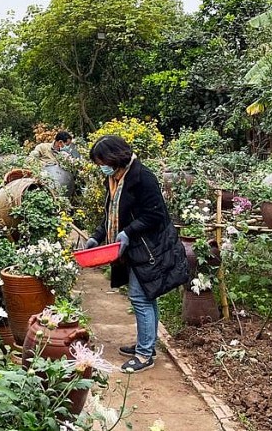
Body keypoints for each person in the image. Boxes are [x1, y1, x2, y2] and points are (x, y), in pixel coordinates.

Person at [84, 134, 173, 373]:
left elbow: (156, 215)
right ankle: (148, 345)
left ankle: (144, 355)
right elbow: (111, 214)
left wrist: (128, 232)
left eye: (102, 161)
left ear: (115, 157)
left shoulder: (142, 178)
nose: (100, 167)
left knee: (140, 297)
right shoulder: (114, 180)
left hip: (148, 247)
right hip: (133, 246)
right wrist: (97, 236)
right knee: (147, 296)